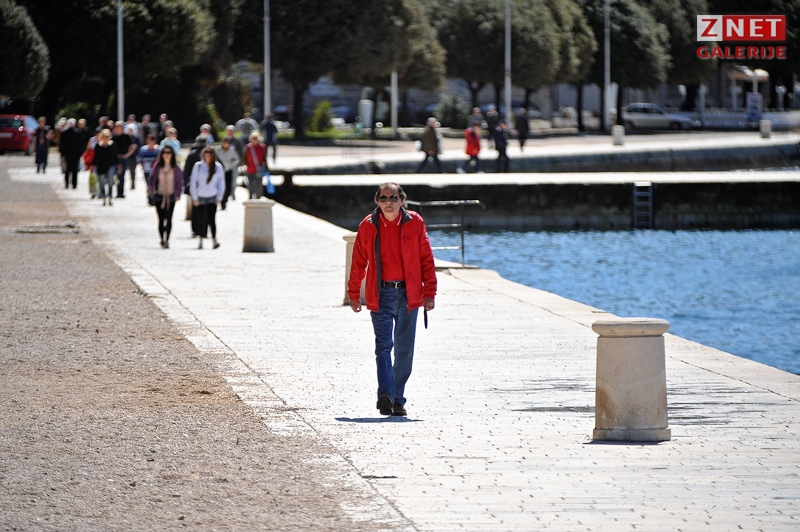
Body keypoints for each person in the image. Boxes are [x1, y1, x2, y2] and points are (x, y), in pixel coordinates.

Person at [348, 182, 437, 417]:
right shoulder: (368, 225)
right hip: (381, 294)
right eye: (384, 198)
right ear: (378, 201)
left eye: (393, 198)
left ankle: (397, 398)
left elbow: (426, 259)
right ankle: (386, 395)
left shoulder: (415, 222)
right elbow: (358, 262)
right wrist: (354, 294)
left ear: (402, 200)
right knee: (384, 347)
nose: (389, 202)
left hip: (409, 295)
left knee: (405, 350)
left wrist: (429, 293)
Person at [147, 145, 183, 249]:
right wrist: (151, 190)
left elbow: (180, 182)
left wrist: (178, 194)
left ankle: (167, 239)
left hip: (171, 196)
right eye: (164, 152)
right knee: (161, 218)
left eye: (168, 153)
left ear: (172, 155)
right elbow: (152, 178)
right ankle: (162, 238)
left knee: (169, 218)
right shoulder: (157, 166)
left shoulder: (176, 168)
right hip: (159, 195)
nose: (166, 155)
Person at [189, 147, 225, 250]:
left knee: (212, 219)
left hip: (213, 196)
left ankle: (214, 239)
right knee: (201, 219)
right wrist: (194, 197)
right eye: (206, 153)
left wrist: (219, 197)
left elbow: (221, 183)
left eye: (210, 153)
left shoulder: (218, 167)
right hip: (201, 196)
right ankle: (201, 240)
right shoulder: (198, 166)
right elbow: (193, 182)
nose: (208, 155)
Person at [90, 129, 119, 206]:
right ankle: (103, 198)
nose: (105, 138)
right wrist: (92, 166)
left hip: (111, 165)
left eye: (107, 137)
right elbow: (95, 157)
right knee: (102, 182)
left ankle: (110, 198)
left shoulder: (113, 145)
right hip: (101, 166)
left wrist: (118, 165)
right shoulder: (98, 146)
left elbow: (115, 156)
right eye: (104, 137)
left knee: (110, 182)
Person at [215, 137, 240, 210]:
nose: (226, 144)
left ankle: (224, 201)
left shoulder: (232, 150)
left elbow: (237, 159)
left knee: (228, 187)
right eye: (224, 143)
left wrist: (230, 164)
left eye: (227, 143)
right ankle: (220, 200)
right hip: (219, 170)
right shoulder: (217, 149)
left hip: (228, 170)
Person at [112, 121, 135, 197]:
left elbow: (132, 147)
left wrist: (127, 155)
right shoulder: (113, 137)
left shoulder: (126, 137)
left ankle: (120, 193)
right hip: (115, 158)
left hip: (124, 158)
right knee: (115, 175)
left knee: (122, 175)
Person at [59, 119, 83, 189]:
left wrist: (80, 152)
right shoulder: (64, 133)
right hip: (67, 154)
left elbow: (81, 144)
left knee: (75, 169)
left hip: (75, 154)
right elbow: (61, 144)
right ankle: (66, 183)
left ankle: (74, 184)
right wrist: (62, 152)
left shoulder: (78, 133)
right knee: (67, 169)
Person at [244, 131, 267, 199]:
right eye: (253, 139)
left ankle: (258, 197)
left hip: (259, 169)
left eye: (256, 138)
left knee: (259, 184)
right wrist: (244, 164)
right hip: (250, 169)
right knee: (250, 184)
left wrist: (266, 168)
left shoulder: (262, 147)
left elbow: (264, 158)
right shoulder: (248, 147)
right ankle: (250, 196)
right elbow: (244, 157)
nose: (254, 140)